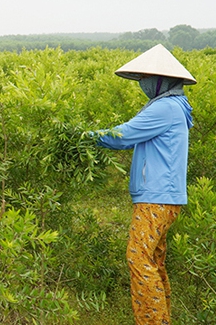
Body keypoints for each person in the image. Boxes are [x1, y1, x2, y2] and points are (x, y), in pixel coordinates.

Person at [91, 44, 196, 325]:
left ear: (162, 80)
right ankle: (160, 319)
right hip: (162, 196)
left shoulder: (165, 108)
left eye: (146, 78)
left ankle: (152, 322)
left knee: (138, 259)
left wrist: (86, 136)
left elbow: (121, 136)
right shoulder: (174, 106)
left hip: (157, 198)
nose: (143, 84)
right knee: (153, 260)